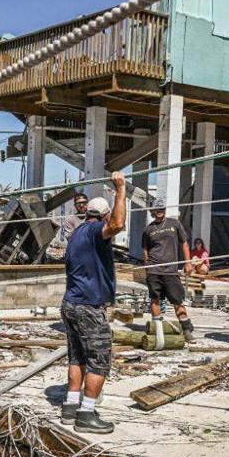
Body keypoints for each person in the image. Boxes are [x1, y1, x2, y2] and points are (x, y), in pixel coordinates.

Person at [59, 172, 127, 434]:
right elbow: (118, 224)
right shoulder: (97, 231)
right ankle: (86, 413)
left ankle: (71, 405)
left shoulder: (77, 233)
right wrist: (121, 189)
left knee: (77, 357)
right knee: (99, 360)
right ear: (104, 216)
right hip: (88, 307)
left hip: (71, 304)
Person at [142, 199, 196, 343]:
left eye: (162, 209)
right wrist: (147, 266)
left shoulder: (174, 224)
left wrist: (188, 263)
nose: (160, 211)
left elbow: (184, 242)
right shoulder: (149, 229)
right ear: (153, 211)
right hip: (154, 269)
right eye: (157, 209)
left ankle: (186, 330)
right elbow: (145, 249)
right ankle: (157, 331)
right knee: (155, 299)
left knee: (178, 301)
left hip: (171, 271)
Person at [46, 193, 89, 261]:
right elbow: (71, 239)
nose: (81, 205)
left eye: (84, 203)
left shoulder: (92, 217)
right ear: (75, 205)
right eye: (78, 203)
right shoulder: (71, 219)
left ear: (87, 203)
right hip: (77, 252)